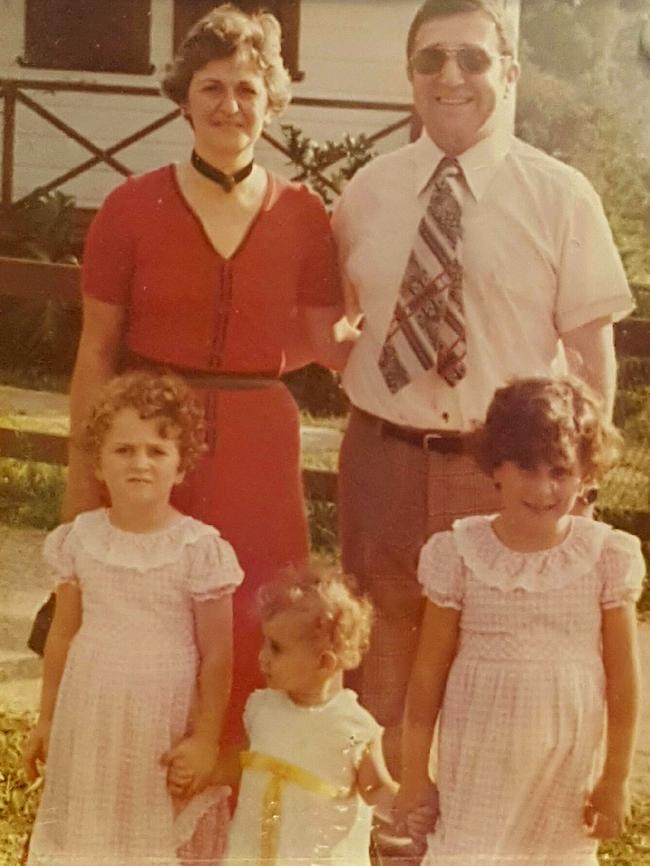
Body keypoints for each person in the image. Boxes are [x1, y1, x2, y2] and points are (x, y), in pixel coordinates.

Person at [331, 0, 635, 769]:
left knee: (493, 671)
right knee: (382, 664)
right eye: (431, 61)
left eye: (471, 58)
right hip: (384, 461)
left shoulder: (561, 194)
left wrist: (579, 486)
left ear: (511, 72)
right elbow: (332, 320)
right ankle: (390, 838)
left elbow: (592, 355)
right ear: (411, 78)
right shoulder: (368, 190)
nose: (451, 77)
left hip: (501, 473)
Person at [54, 3, 347, 746]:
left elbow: (321, 338)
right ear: (185, 97)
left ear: (271, 102)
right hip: (153, 438)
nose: (230, 105)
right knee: (144, 615)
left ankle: (236, 817)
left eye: (248, 89)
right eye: (213, 87)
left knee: (257, 616)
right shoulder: (129, 207)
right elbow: (96, 351)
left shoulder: (306, 214)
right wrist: (86, 470)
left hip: (259, 443)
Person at [396, 376, 644, 865]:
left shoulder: (606, 556)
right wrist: (413, 773)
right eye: (526, 469)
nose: (543, 488)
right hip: (480, 750)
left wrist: (615, 779)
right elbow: (427, 674)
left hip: (566, 760)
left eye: (560, 471)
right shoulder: (461, 552)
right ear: (496, 468)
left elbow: (623, 681)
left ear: (587, 474)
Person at [23, 371, 244, 866]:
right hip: (90, 711)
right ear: (99, 462)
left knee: (149, 834)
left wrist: (206, 737)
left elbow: (218, 655)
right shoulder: (80, 539)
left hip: (160, 718)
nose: (139, 463)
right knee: (88, 828)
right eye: (123, 450)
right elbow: (62, 634)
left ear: (181, 467)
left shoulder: (198, 548)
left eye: (156, 451)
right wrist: (48, 717)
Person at [215, 569, 399, 865]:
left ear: (323, 663)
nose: (262, 656)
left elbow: (375, 787)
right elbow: (241, 761)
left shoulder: (352, 725)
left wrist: (406, 809)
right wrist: (207, 771)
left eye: (276, 648)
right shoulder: (262, 708)